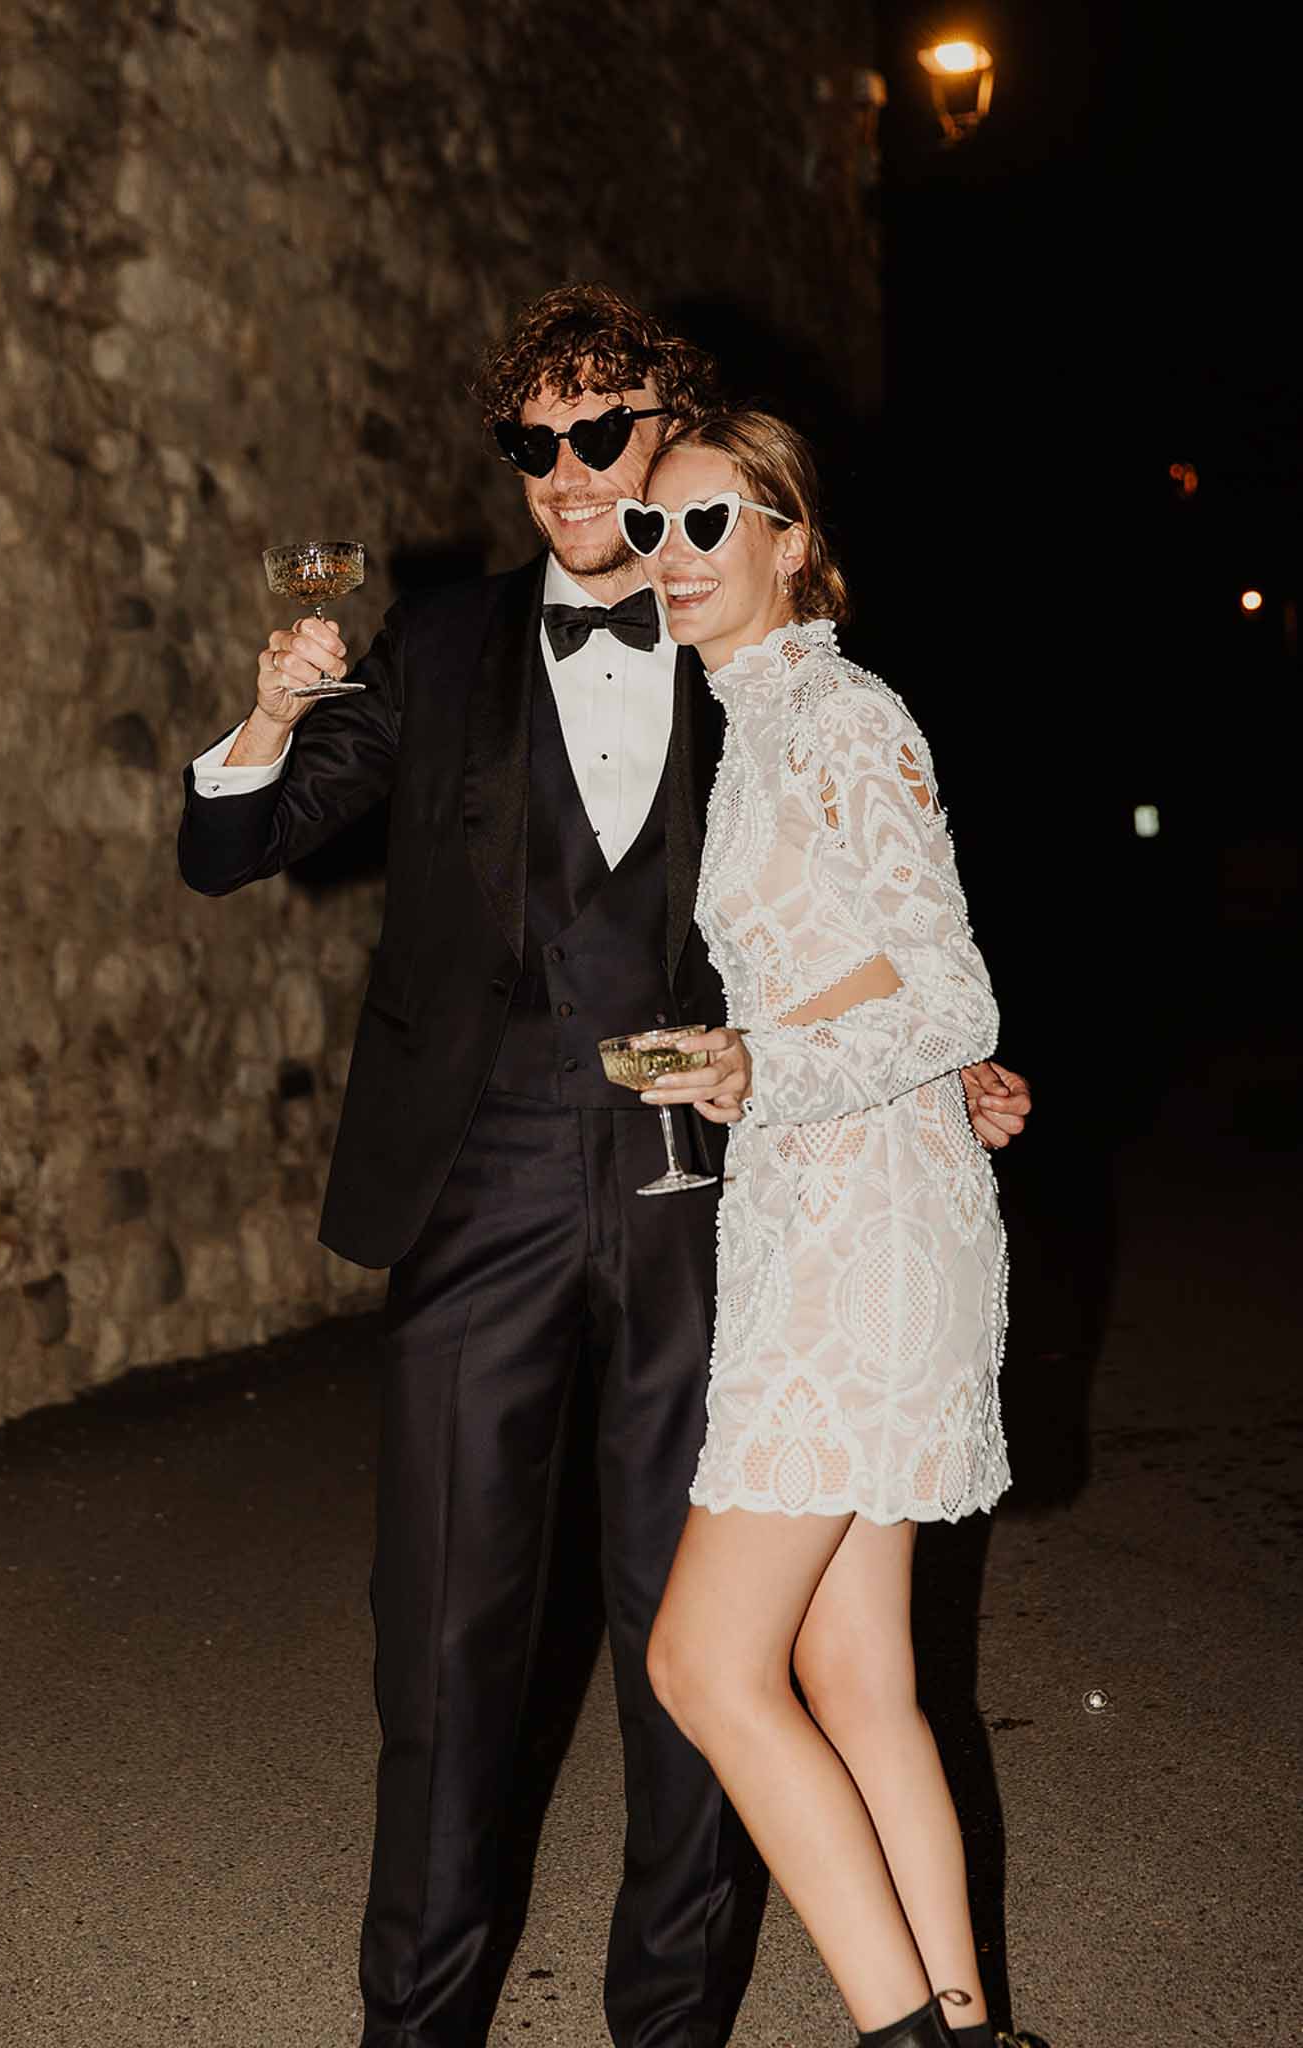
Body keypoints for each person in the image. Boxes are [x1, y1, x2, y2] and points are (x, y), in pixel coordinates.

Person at [177, 285, 1032, 2048]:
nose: (567, 478)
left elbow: (876, 935)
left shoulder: (745, 639)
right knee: (441, 1651)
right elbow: (231, 844)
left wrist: (946, 1069)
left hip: (723, 1201)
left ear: (682, 444)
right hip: (476, 1183)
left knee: (695, 1664)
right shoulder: (429, 644)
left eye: (603, 436)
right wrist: (267, 713)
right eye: (531, 445)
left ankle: (671, 2028)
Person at [621, 409, 1048, 2048]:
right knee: (860, 1676)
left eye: (707, 522)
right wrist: (774, 1057)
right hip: (845, 1204)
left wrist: (768, 1060)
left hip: (854, 1244)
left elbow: (949, 984)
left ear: (790, 540)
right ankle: (964, 2019)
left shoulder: (834, 718)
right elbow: (873, 983)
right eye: (651, 531)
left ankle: (908, 2038)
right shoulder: (765, 722)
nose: (672, 557)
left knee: (706, 1668)